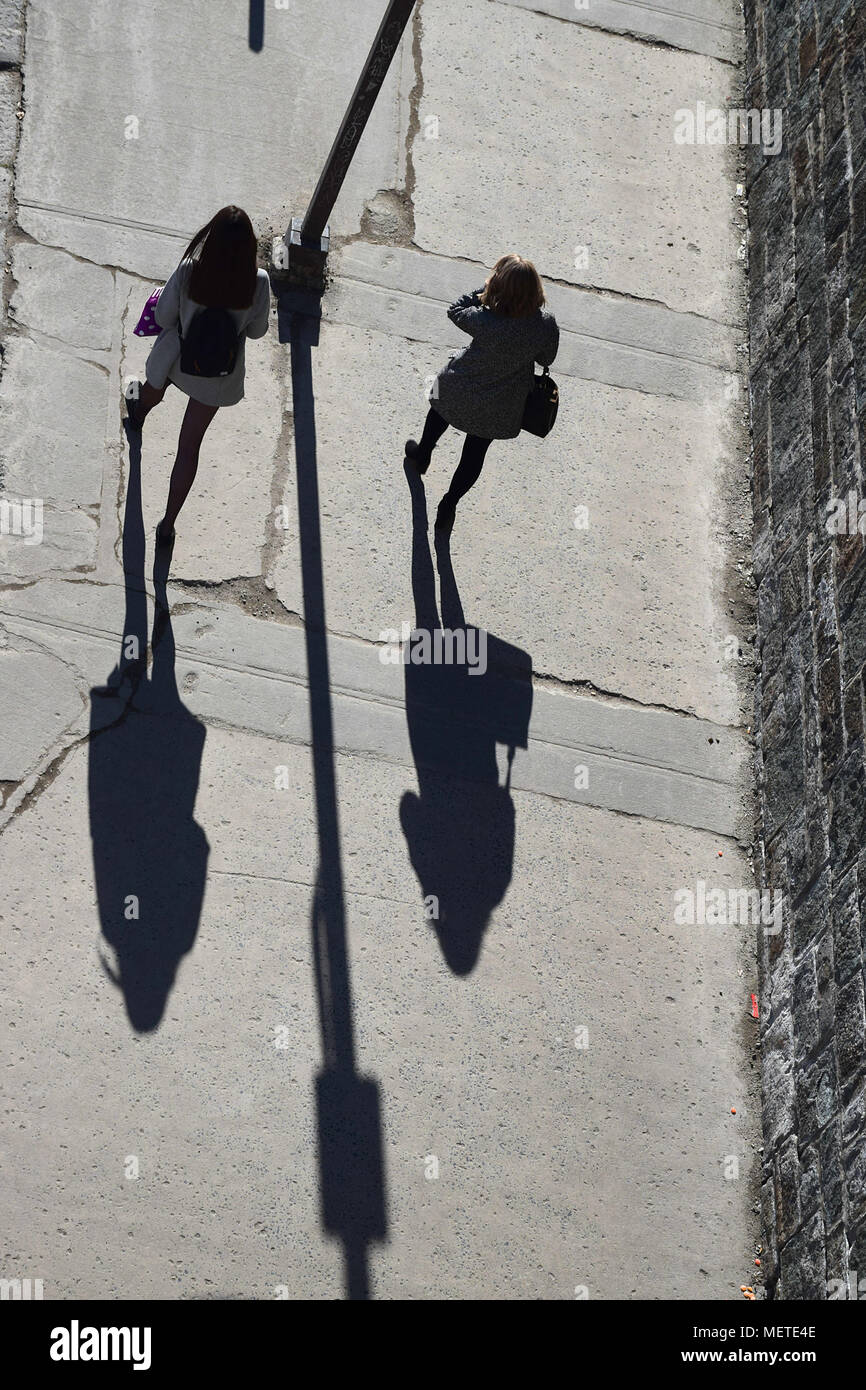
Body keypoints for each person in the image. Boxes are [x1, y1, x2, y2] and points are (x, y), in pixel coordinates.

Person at [125, 205, 270, 545]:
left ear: (211, 237)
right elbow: (257, 332)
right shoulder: (258, 282)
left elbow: (163, 316)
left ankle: (138, 414)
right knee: (189, 449)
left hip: (179, 360)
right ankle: (167, 526)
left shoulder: (191, 271)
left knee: (152, 389)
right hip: (217, 376)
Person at [405, 254, 559, 531]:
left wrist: (482, 293)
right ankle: (448, 506)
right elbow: (547, 359)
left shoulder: (486, 319)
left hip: (461, 385)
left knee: (439, 411)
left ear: (500, 286)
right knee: (475, 453)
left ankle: (422, 456)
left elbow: (455, 310)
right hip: (503, 403)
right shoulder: (544, 324)